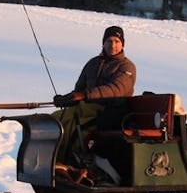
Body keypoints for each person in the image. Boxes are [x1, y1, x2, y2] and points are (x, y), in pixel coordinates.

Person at [51, 25, 136, 164]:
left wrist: (85, 95)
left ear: (122, 44)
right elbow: (79, 90)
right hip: (84, 108)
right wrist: (66, 99)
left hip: (108, 112)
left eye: (117, 41)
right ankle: (53, 162)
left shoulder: (126, 66)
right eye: (109, 41)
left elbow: (116, 90)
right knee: (54, 121)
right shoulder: (92, 63)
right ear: (103, 43)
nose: (112, 45)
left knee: (75, 129)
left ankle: (72, 164)